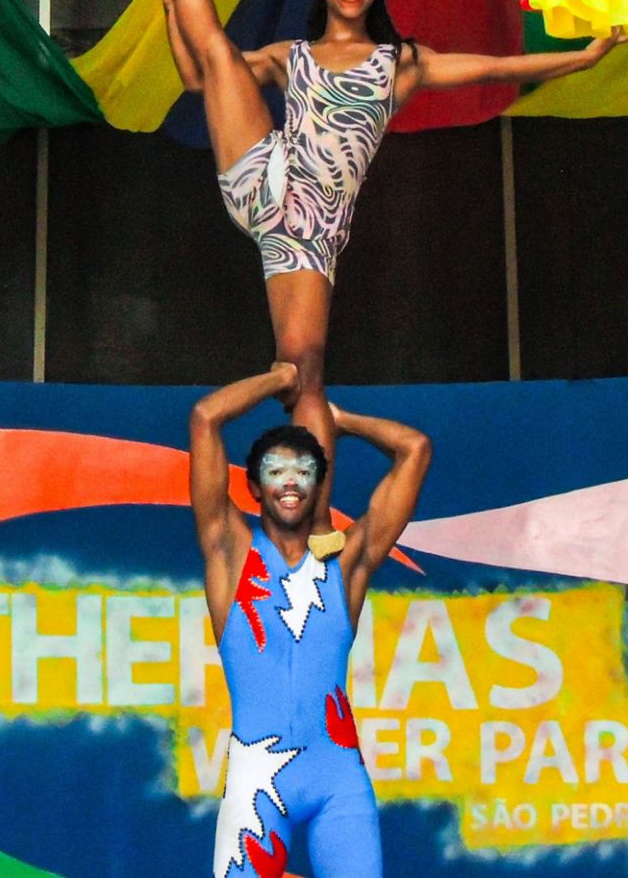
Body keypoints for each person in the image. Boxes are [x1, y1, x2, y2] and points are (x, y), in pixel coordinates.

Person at [152, 0, 625, 556]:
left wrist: (580, 60)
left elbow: (496, 68)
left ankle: (316, 528)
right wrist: (170, 4)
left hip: (309, 229)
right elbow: (197, 76)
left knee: (303, 369)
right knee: (221, 56)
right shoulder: (294, 56)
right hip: (261, 174)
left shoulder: (401, 63)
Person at [189, 361, 431, 878]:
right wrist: (283, 379)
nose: (290, 482)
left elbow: (415, 448)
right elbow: (206, 417)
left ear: (320, 485)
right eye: (276, 471)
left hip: (337, 784)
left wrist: (341, 419)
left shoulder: (346, 566)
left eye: (304, 471)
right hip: (257, 786)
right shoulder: (230, 554)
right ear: (254, 487)